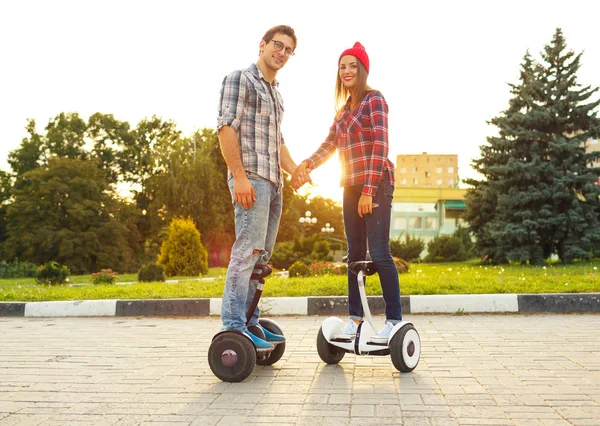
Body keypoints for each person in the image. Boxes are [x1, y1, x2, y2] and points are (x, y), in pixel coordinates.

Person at [292, 42, 401, 343]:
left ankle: (394, 320)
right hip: (350, 186)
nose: (347, 71)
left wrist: (369, 191)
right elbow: (329, 144)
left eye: (353, 65)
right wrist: (306, 164)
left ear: (363, 70)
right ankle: (356, 320)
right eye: (343, 67)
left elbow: (381, 146)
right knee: (354, 255)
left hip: (376, 183)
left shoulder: (374, 100)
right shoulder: (343, 111)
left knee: (379, 254)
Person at [217, 25, 306, 351]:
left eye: (288, 50)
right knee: (246, 253)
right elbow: (226, 127)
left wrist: (295, 170)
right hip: (251, 177)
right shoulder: (240, 79)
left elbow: (277, 142)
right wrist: (239, 176)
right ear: (263, 44)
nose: (281, 53)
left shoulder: (275, 93)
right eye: (277, 46)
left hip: (274, 182)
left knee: (261, 258)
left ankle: (251, 322)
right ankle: (234, 326)